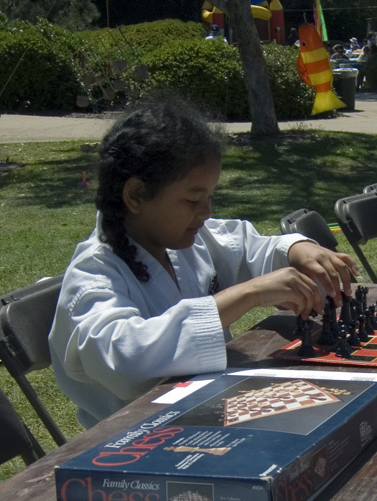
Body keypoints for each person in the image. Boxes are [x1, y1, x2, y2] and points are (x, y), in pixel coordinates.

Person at [49, 98, 358, 428]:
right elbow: (127, 357)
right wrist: (247, 294)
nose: (206, 212)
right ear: (136, 194)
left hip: (210, 411)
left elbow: (246, 247)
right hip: (134, 439)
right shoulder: (93, 274)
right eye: (193, 199)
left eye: (210, 197)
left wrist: (298, 250)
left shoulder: (182, 237)